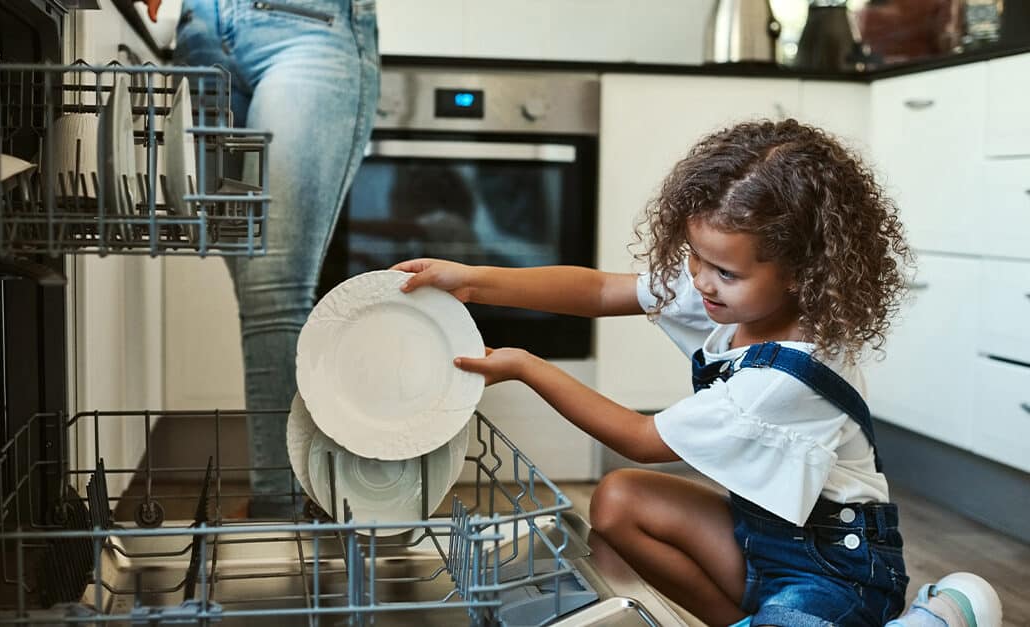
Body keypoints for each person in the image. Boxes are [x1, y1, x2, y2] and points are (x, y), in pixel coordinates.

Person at [393, 119, 1001, 627]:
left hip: (839, 571)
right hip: (761, 537)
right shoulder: (735, 292)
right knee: (619, 500)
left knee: (634, 476)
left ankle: (941, 615)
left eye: (723, 272)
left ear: (799, 273)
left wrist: (527, 365)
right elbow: (602, 288)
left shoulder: (787, 374)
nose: (701, 282)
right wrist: (473, 279)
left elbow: (641, 440)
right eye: (695, 258)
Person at [141, 0, 380, 517]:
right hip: (200, 30)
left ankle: (281, 510)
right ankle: (305, 493)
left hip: (306, 27)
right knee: (255, 284)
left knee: (272, 288)